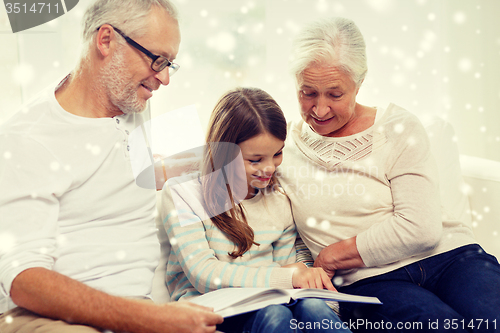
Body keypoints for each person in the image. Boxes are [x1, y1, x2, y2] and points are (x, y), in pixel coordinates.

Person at [0, 0, 223, 332]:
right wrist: (153, 318)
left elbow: (131, 170)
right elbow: (24, 280)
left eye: (170, 64)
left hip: (134, 308)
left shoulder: (129, 104)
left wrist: (235, 159)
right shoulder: (27, 139)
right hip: (47, 318)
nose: (164, 79)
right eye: (157, 60)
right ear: (106, 41)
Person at [277, 17, 500, 332]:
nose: (320, 109)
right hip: (369, 281)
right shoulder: (281, 148)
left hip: (451, 259)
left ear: (360, 81)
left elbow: (421, 229)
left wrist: (333, 255)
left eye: (335, 95)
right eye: (308, 92)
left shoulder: (399, 128)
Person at [157, 87, 351, 333]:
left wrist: (297, 278)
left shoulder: (278, 199)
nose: (269, 168)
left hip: (269, 302)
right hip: (209, 310)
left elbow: (285, 270)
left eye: (277, 154)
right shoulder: (183, 193)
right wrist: (286, 276)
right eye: (255, 160)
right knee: (275, 314)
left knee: (313, 309)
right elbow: (204, 275)